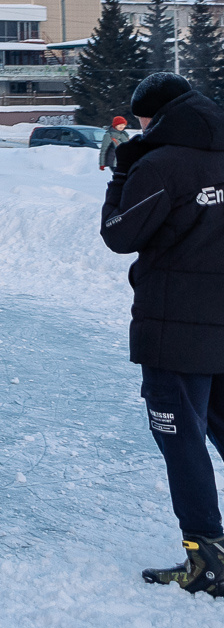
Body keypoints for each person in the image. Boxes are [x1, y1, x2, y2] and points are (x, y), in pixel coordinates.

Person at [99, 73, 224, 596]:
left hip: (176, 328)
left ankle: (207, 556)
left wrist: (121, 175)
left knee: (180, 436)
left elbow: (118, 234)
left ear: (153, 116)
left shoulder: (160, 163)